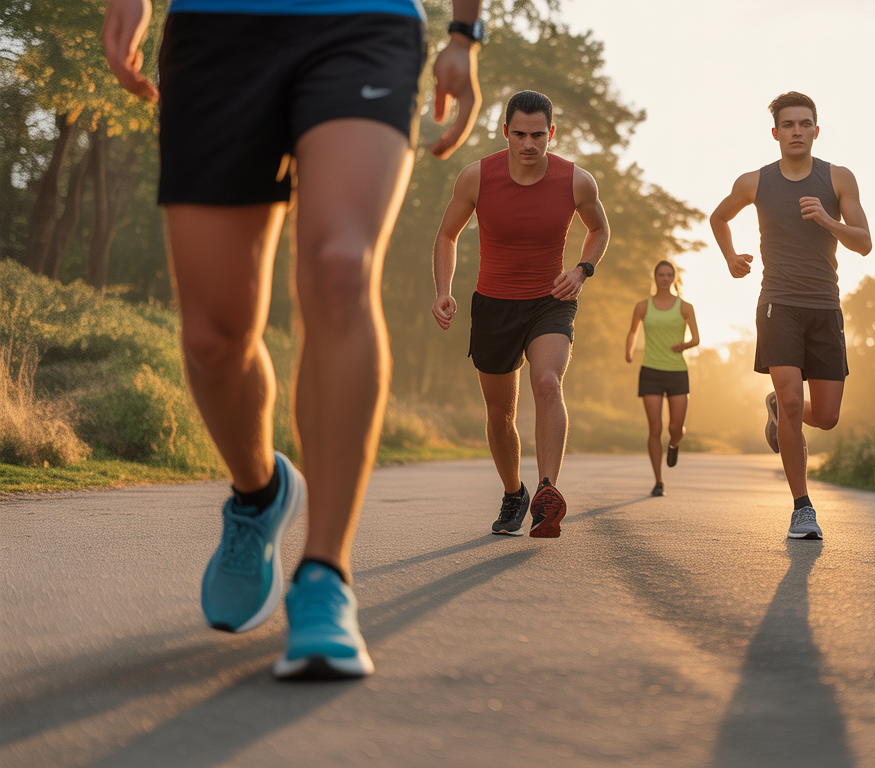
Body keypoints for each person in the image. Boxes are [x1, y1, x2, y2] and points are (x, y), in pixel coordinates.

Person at [102, 0, 485, 679]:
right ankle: (258, 495)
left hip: (363, 23)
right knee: (214, 338)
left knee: (340, 269)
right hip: (217, 26)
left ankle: (325, 576)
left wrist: (465, 32)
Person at [431, 90, 609, 538]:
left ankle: (547, 492)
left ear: (551, 133)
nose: (529, 145)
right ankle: (514, 492)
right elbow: (447, 236)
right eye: (519, 134)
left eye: (537, 135)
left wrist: (582, 270)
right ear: (505, 132)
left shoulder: (576, 181)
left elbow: (599, 229)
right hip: (493, 305)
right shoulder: (476, 177)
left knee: (548, 382)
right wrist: (443, 291)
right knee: (499, 413)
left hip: (550, 300)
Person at [708, 91, 872, 540]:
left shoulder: (838, 179)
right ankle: (802, 507)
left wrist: (828, 221)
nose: (797, 131)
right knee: (796, 404)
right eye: (789, 125)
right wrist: (730, 259)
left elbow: (864, 242)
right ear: (776, 133)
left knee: (828, 415)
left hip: (825, 306)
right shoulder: (754, 182)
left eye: (805, 124)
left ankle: (778, 410)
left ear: (816, 131)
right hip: (777, 303)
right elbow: (718, 218)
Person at [625, 260, 700, 496]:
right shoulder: (643, 306)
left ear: (674, 278)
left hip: (677, 371)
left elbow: (696, 339)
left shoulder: (685, 307)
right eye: (661, 274)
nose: (665, 278)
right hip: (651, 371)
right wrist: (628, 351)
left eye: (669, 275)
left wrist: (684, 345)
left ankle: (675, 442)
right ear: (655, 278)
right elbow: (633, 331)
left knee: (675, 427)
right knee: (655, 428)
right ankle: (658, 481)